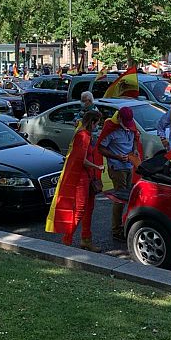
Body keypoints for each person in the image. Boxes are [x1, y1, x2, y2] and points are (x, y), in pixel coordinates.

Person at [45, 111, 104, 251]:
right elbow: (81, 160)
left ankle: (86, 240)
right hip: (81, 178)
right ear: (92, 122)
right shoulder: (82, 136)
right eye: (97, 123)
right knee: (80, 209)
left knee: (89, 209)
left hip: (87, 177)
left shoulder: (84, 134)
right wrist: (98, 167)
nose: (98, 126)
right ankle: (67, 240)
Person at [97, 106, 142, 242]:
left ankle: (123, 225)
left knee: (127, 198)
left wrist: (134, 150)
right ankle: (116, 230)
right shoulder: (111, 128)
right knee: (120, 199)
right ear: (120, 118)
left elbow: (135, 138)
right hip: (117, 167)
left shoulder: (130, 124)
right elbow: (101, 148)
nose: (128, 126)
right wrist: (117, 157)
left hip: (129, 165)